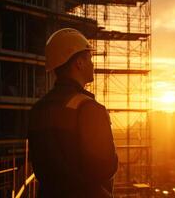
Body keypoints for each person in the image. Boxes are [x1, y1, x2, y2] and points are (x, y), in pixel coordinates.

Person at [28, 28, 118, 198]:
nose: (92, 64)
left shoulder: (38, 110)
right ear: (79, 63)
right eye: (89, 58)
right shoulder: (88, 108)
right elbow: (106, 167)